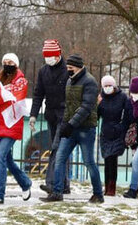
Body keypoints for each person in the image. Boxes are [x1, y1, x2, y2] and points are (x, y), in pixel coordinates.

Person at [43, 54, 103, 203]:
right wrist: (64, 124)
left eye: (71, 68)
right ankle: (57, 192)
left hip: (85, 129)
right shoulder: (70, 82)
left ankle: (98, 194)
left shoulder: (90, 82)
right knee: (60, 158)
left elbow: (86, 107)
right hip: (70, 127)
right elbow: (68, 107)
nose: (68, 70)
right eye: (67, 68)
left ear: (79, 67)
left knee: (89, 161)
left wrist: (71, 124)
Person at [0, 53, 32, 204]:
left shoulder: (21, 81)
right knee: (7, 160)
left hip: (12, 124)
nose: (7, 64)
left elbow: (16, 97)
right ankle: (25, 183)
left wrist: (3, 94)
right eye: (5, 62)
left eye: (10, 62)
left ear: (16, 64)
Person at [30, 39, 69, 195]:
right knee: (61, 150)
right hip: (51, 115)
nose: (48, 58)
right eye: (46, 55)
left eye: (51, 55)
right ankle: (64, 184)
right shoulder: (43, 71)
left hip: (65, 115)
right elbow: (38, 94)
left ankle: (52, 183)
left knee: (57, 148)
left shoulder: (68, 70)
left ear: (58, 55)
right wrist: (33, 115)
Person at [97, 75, 128, 197]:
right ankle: (106, 186)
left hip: (117, 132)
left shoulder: (122, 97)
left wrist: (121, 127)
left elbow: (127, 113)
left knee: (112, 159)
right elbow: (96, 117)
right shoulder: (101, 97)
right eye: (105, 86)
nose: (107, 88)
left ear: (114, 86)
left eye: (110, 85)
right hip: (105, 132)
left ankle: (112, 187)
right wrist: (97, 105)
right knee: (106, 159)